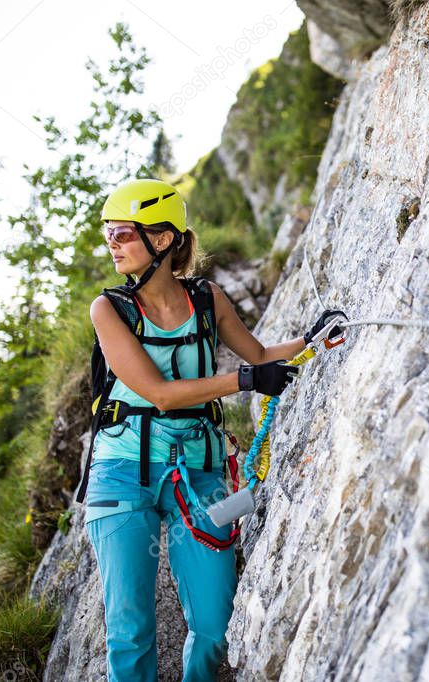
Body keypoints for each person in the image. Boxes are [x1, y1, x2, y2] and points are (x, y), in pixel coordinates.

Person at [83, 178, 345, 681]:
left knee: (214, 623)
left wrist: (312, 339)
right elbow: (158, 392)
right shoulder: (109, 309)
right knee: (129, 630)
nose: (111, 243)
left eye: (121, 233)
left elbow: (262, 355)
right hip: (120, 475)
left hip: (199, 471)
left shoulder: (207, 299)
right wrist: (245, 380)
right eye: (108, 234)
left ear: (162, 238)